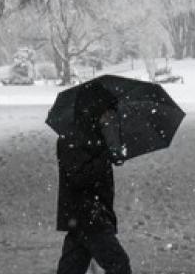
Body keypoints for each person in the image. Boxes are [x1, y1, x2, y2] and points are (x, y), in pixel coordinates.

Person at [56, 108, 130, 274]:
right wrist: (106, 157)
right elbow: (79, 176)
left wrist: (112, 147)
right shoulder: (73, 138)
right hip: (89, 216)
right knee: (119, 264)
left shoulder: (95, 136)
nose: (113, 118)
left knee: (72, 268)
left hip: (89, 215)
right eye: (108, 113)